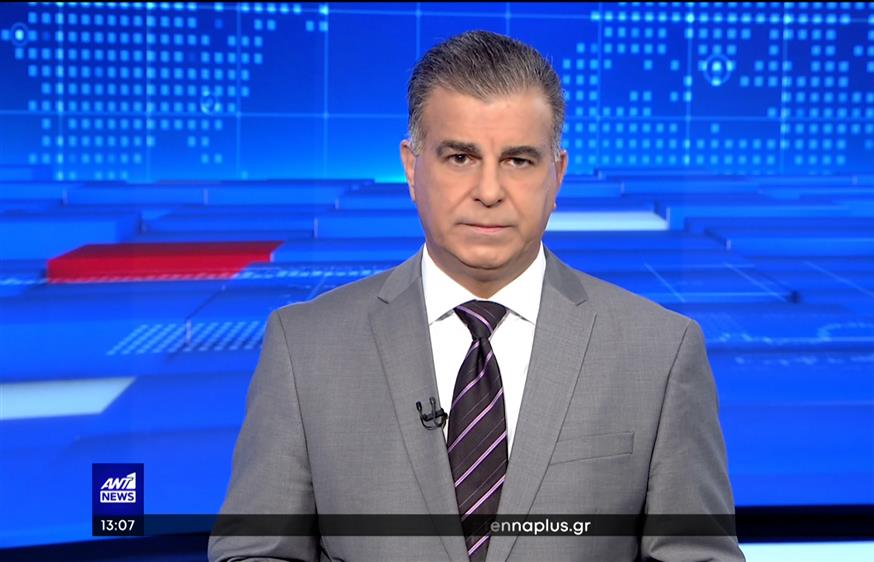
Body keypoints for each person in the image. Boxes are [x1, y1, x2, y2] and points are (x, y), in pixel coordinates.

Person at [209, 30, 743, 562]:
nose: (489, 191)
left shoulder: (660, 352)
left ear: (557, 175)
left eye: (518, 161)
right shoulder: (304, 347)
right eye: (461, 157)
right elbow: (256, 552)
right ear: (412, 168)